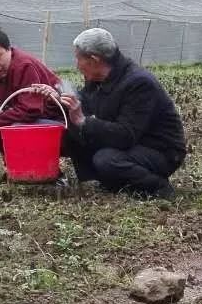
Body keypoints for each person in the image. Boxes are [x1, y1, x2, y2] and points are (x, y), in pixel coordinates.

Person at [36, 28, 186, 198]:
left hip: (159, 150)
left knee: (107, 159)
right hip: (129, 144)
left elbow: (126, 135)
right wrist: (59, 100)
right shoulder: (98, 79)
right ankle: (98, 181)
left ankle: (158, 187)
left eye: (78, 59)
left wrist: (83, 121)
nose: (77, 65)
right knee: (70, 134)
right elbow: (84, 105)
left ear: (94, 60)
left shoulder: (139, 83)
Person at [0, 27, 64, 152]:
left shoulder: (24, 67)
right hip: (31, 122)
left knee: (12, 128)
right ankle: (17, 167)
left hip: (55, 122)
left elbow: (30, 109)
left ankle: (42, 168)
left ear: (9, 49)